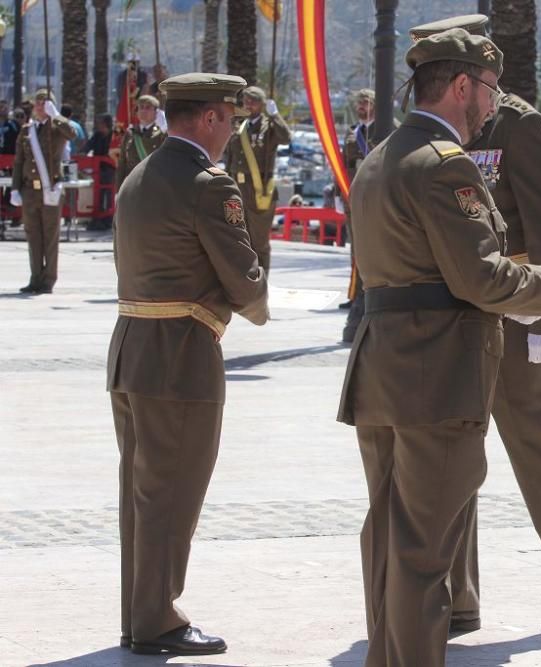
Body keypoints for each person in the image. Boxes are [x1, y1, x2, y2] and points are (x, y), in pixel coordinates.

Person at [336, 28, 541, 667]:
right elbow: (478, 274)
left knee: (413, 522)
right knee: (427, 536)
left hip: (412, 353)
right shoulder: (441, 157)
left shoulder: (388, 152)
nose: (494, 97)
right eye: (487, 85)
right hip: (454, 344)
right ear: (462, 84)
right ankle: (444, 615)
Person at [410, 13, 541, 637]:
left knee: (537, 448)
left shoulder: (516, 121)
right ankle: (458, 597)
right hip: (455, 314)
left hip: (519, 312)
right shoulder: (430, 127)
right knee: (453, 452)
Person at [108, 72, 268, 656]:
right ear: (210, 119)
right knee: (173, 494)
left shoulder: (139, 175)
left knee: (143, 494)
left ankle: (140, 613)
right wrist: (254, 301)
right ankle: (156, 619)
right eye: (230, 118)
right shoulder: (208, 184)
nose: (231, 130)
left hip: (132, 347)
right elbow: (245, 279)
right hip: (181, 354)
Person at [340, 88, 399, 340]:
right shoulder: (354, 132)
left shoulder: (389, 128)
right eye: (359, 103)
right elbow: (344, 163)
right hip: (352, 196)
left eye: (365, 103)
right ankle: (355, 293)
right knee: (355, 249)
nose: (361, 108)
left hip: (374, 199)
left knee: (372, 248)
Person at [10, 89, 76, 294]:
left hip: (51, 189)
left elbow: (72, 134)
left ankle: (48, 280)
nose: (39, 106)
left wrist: (56, 116)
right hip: (30, 191)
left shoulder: (56, 128)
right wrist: (15, 188)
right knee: (33, 236)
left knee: (50, 236)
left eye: (44, 103)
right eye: (37, 103)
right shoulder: (26, 130)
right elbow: (19, 161)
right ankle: (35, 277)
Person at [222, 85, 291, 275]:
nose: (248, 104)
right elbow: (230, 158)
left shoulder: (269, 127)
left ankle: (261, 281)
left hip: (259, 190)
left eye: (253, 101)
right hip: (237, 189)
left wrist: (275, 115)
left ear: (261, 104)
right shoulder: (239, 126)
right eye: (246, 101)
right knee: (237, 236)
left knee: (259, 241)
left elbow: (285, 138)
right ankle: (242, 280)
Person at [116, 94, 167, 188]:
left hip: (152, 185)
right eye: (141, 107)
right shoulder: (130, 133)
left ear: (156, 112)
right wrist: (118, 190)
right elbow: (122, 162)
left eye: (148, 108)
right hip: (132, 184)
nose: (144, 110)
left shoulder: (161, 135)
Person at [85, 113, 116, 230]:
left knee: (109, 195)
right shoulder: (97, 135)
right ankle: (98, 218)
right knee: (98, 195)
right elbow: (88, 146)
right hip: (98, 171)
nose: (98, 125)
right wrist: (82, 153)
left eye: (101, 123)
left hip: (110, 170)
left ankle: (108, 218)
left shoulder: (114, 135)